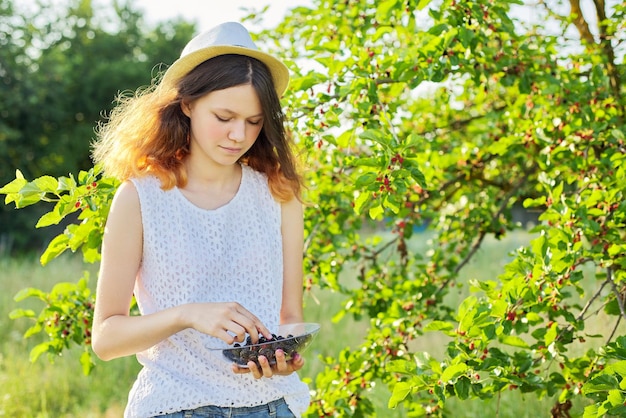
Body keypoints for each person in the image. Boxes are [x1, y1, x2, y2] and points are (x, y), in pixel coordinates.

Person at [90, 21, 310, 418]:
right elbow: (106, 338)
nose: (238, 135)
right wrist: (188, 314)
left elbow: (290, 319)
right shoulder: (140, 198)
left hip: (272, 407)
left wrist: (285, 356)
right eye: (224, 117)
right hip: (173, 406)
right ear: (187, 104)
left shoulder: (280, 196)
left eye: (254, 121)